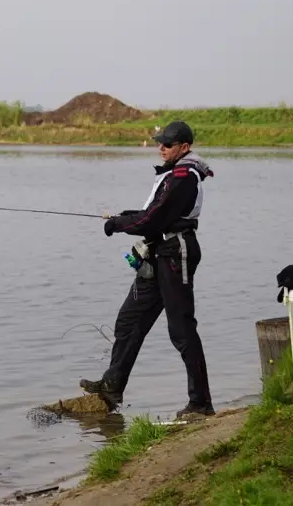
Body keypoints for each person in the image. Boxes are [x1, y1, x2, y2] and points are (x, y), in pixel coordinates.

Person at [80, 120, 216, 420]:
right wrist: (127, 217)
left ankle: (201, 404)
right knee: (129, 321)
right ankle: (112, 386)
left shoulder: (183, 177)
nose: (161, 148)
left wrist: (118, 224)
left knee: (181, 330)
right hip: (157, 254)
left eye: (167, 144)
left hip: (174, 253)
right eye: (160, 142)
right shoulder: (173, 173)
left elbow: (153, 220)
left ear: (184, 148)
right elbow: (151, 215)